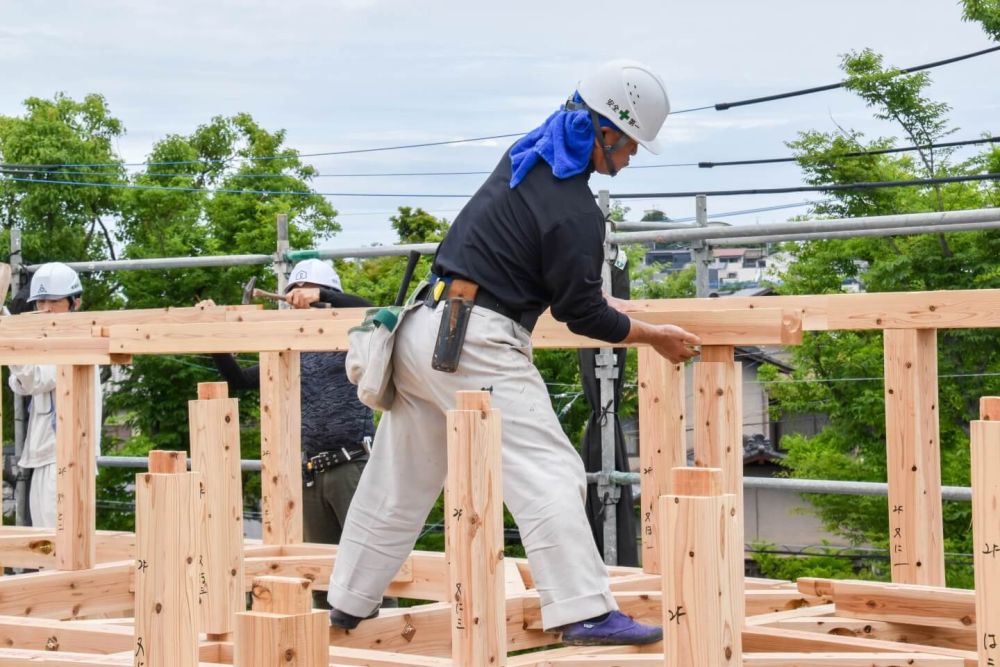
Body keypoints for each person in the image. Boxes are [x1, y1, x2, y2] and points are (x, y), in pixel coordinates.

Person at [327, 60, 701, 646]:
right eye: (629, 146)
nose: (629, 160)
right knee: (549, 469)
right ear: (603, 132)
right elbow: (584, 314)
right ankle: (582, 608)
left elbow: (560, 280)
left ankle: (347, 603)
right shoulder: (575, 213)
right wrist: (653, 334)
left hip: (423, 331)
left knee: (397, 481)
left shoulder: (524, 163)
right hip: (476, 343)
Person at [204, 260, 376, 606]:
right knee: (321, 576)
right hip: (312, 474)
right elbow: (238, 380)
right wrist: (214, 333)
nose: (298, 301)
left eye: (306, 293)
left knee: (369, 570)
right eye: (293, 296)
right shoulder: (288, 350)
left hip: (352, 465)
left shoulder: (355, 339)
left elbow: (370, 311)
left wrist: (321, 296)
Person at [8, 262, 103, 528]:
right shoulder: (48, 343)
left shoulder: (77, 339)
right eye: (39, 303)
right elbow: (21, 384)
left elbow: (35, 377)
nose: (45, 309)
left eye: (53, 301)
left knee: (62, 547)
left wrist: (10, 337)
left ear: (76, 302)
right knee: (45, 549)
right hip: (45, 456)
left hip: (68, 458)